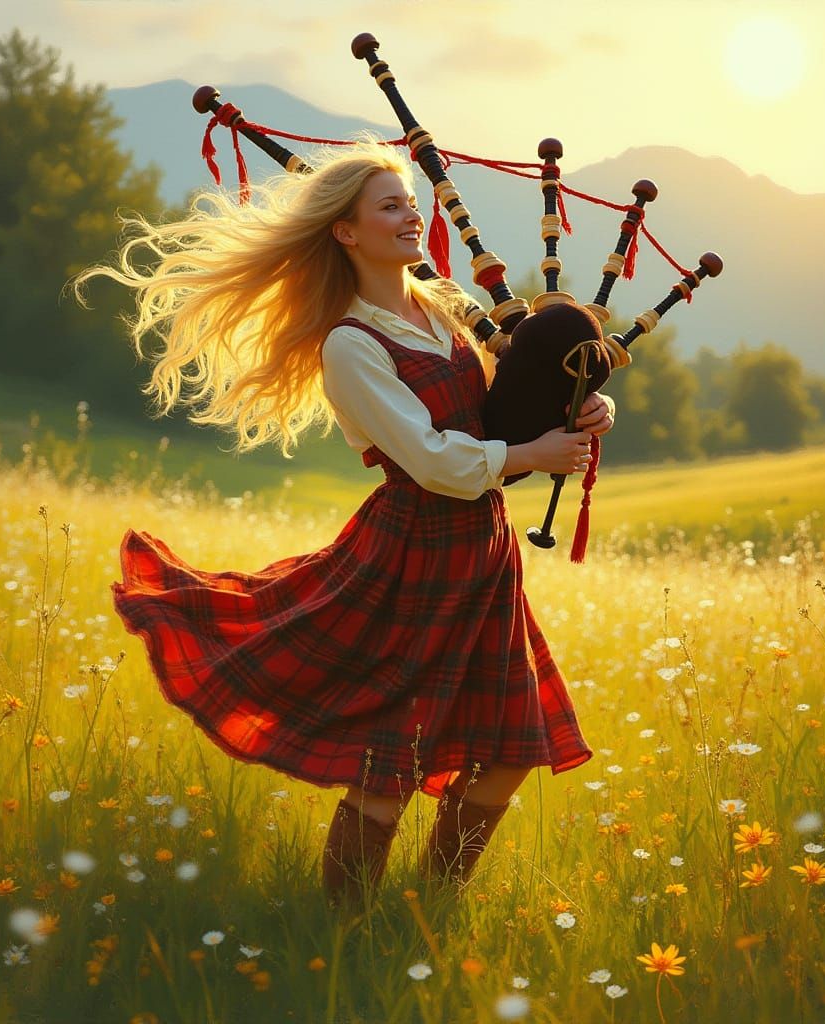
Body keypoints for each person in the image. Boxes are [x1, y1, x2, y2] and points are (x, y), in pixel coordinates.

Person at [71, 141, 615, 913]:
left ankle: (432, 911)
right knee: (389, 770)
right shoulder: (349, 345)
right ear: (346, 232)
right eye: (390, 205)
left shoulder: (445, 306)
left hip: (485, 558)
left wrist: (592, 408)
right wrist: (532, 453)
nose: (411, 214)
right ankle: (341, 929)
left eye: (410, 202)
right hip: (412, 554)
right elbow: (429, 459)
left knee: (508, 755)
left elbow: (534, 379)